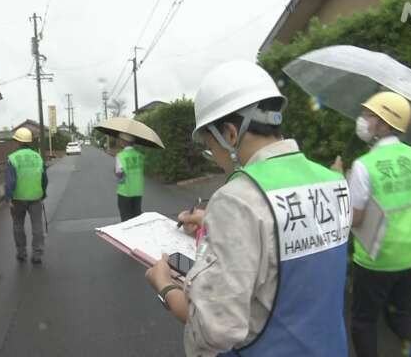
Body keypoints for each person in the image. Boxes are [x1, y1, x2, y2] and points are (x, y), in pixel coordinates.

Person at [145, 60, 352, 356]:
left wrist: (164, 286)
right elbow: (289, 242)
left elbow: (215, 329)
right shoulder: (333, 182)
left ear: (230, 134)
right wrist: (211, 223)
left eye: (209, 145)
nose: (214, 157)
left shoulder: (237, 199)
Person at [334, 92, 411, 357]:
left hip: (378, 256)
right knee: (401, 316)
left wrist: (339, 182)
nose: (363, 120)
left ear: (384, 124)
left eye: (369, 116)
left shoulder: (364, 166)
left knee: (364, 321)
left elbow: (354, 218)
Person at [5, 128, 48, 264]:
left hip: (18, 198)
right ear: (29, 142)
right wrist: (43, 193)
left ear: (18, 141)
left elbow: (10, 181)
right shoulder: (38, 157)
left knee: (18, 224)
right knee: (37, 226)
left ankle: (21, 252)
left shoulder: (12, 158)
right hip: (35, 196)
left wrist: (8, 197)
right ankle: (37, 254)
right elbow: (44, 178)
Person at [115, 132, 144, 222]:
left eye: (120, 140)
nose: (119, 142)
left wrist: (116, 173)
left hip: (125, 192)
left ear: (124, 142)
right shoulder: (140, 155)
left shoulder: (120, 156)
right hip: (138, 191)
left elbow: (120, 174)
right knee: (137, 217)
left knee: (126, 219)